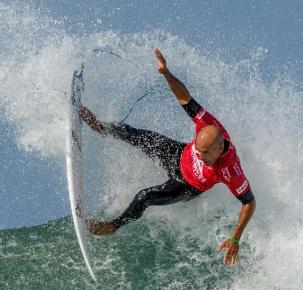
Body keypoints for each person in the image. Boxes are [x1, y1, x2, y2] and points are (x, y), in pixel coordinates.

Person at [80, 49, 256, 265]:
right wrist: (166, 73)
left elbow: (249, 202)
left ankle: (112, 226)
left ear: (219, 148)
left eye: (204, 154)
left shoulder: (230, 170)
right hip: (178, 154)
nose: (200, 157)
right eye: (199, 152)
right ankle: (99, 126)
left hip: (187, 185)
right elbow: (184, 97)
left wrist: (235, 238)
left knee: (145, 197)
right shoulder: (208, 125)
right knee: (134, 134)